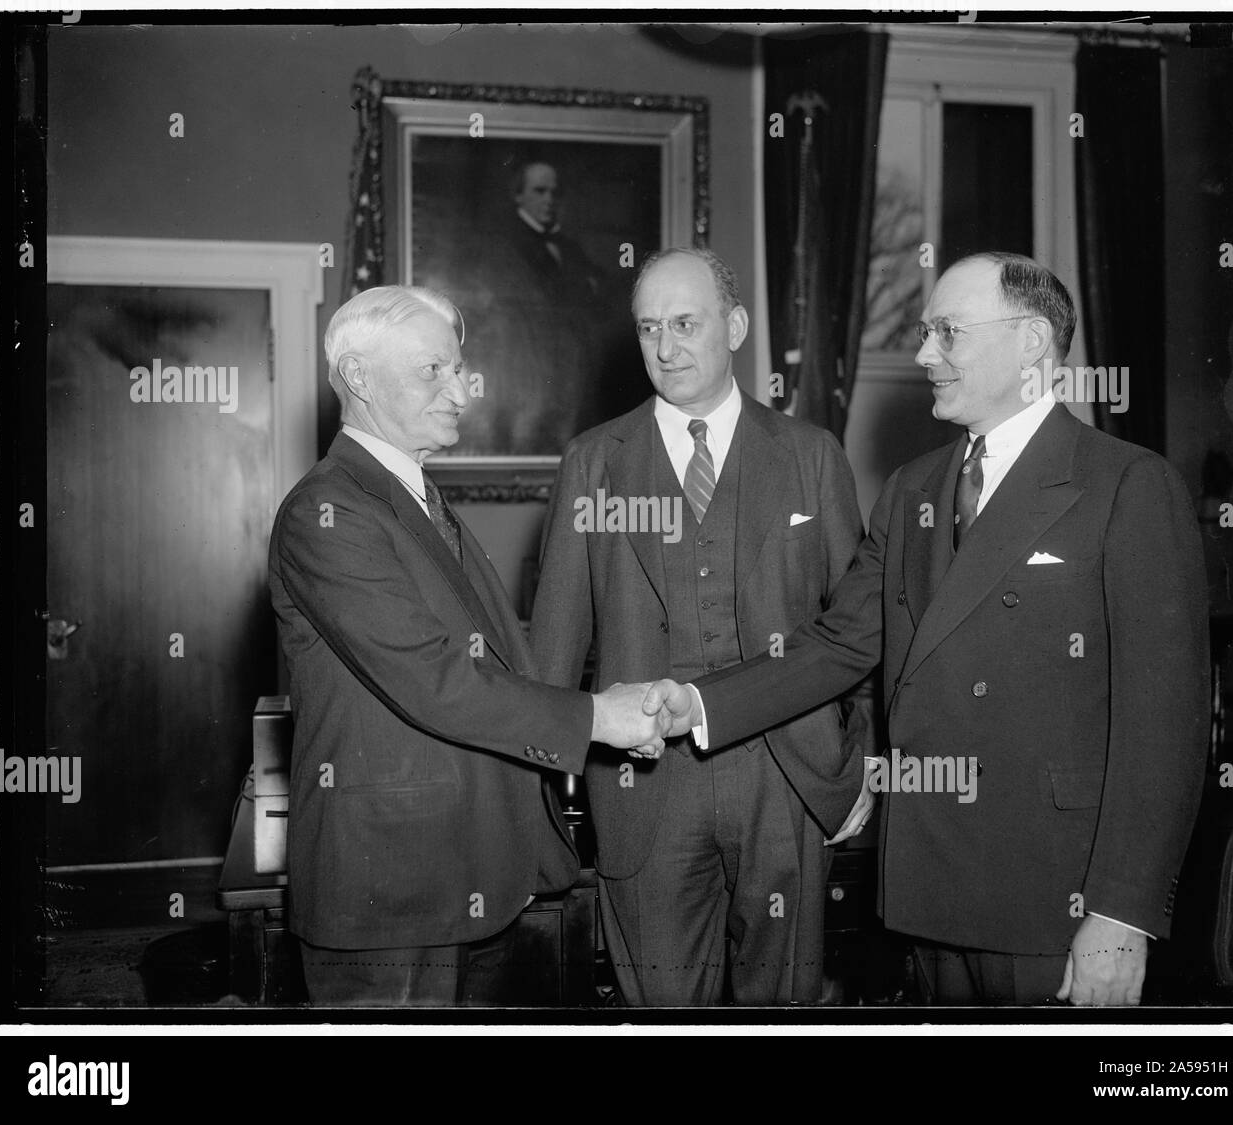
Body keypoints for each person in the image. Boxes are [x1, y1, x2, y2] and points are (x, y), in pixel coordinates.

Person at [646, 252, 1210, 1007]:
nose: (922, 355)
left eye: (948, 332)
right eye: (924, 332)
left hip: (1058, 899)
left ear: (1033, 343)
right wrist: (701, 701)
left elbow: (1165, 728)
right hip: (929, 889)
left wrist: (1121, 912)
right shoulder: (914, 487)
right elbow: (836, 643)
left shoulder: (1128, 485)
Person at [267, 285, 669, 1007]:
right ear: (357, 377)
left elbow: (493, 656)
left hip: (468, 871)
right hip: (388, 891)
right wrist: (597, 718)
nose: (460, 390)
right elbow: (436, 679)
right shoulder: (325, 513)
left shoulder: (416, 496)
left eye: (459, 369)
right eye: (434, 370)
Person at [529, 248, 875, 1006]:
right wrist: (542, 796)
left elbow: (858, 627)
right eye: (650, 327)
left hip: (786, 776)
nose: (665, 346)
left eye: (686, 323)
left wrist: (854, 768)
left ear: (737, 326)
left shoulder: (811, 455)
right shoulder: (594, 461)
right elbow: (555, 645)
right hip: (644, 786)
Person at [463, 160, 619, 454]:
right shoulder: (501, 246)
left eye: (554, 192)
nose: (549, 200)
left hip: (569, 375)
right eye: (540, 191)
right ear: (518, 195)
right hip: (523, 374)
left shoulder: (569, 247)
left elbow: (597, 297)